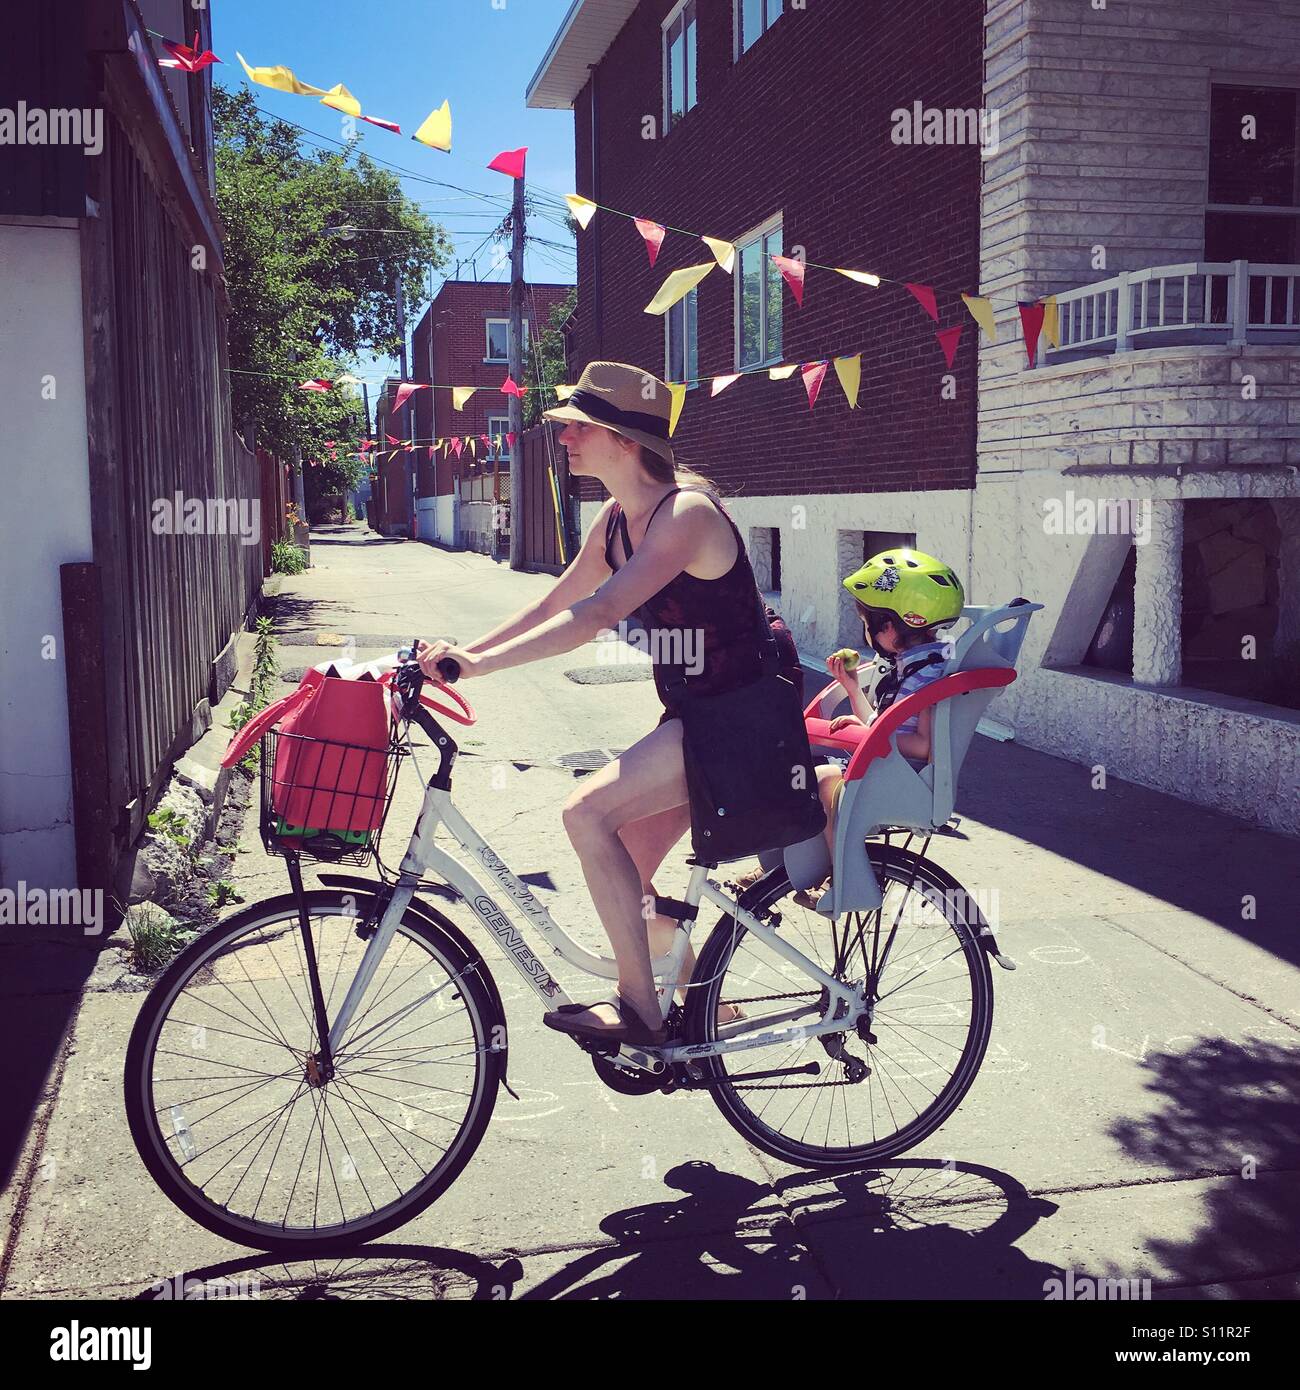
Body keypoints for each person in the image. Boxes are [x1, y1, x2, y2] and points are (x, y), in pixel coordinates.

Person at [415, 361, 803, 1047]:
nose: (562, 437)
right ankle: (696, 1006)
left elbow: (599, 613)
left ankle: (641, 1011)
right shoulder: (615, 522)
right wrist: (462, 653)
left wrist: (475, 666)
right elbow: (552, 602)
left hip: (743, 720)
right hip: (698, 714)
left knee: (586, 812)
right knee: (623, 847)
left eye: (577, 427)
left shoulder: (684, 515)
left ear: (626, 440)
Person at [802, 550, 965, 901]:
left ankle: (845, 879)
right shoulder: (913, 666)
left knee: (820, 779)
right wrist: (851, 690)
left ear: (888, 628)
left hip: (900, 779)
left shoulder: (929, 677)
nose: (866, 632)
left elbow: (923, 745)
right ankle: (786, 871)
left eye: (867, 622)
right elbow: (887, 725)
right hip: (887, 769)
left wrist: (868, 735)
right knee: (802, 777)